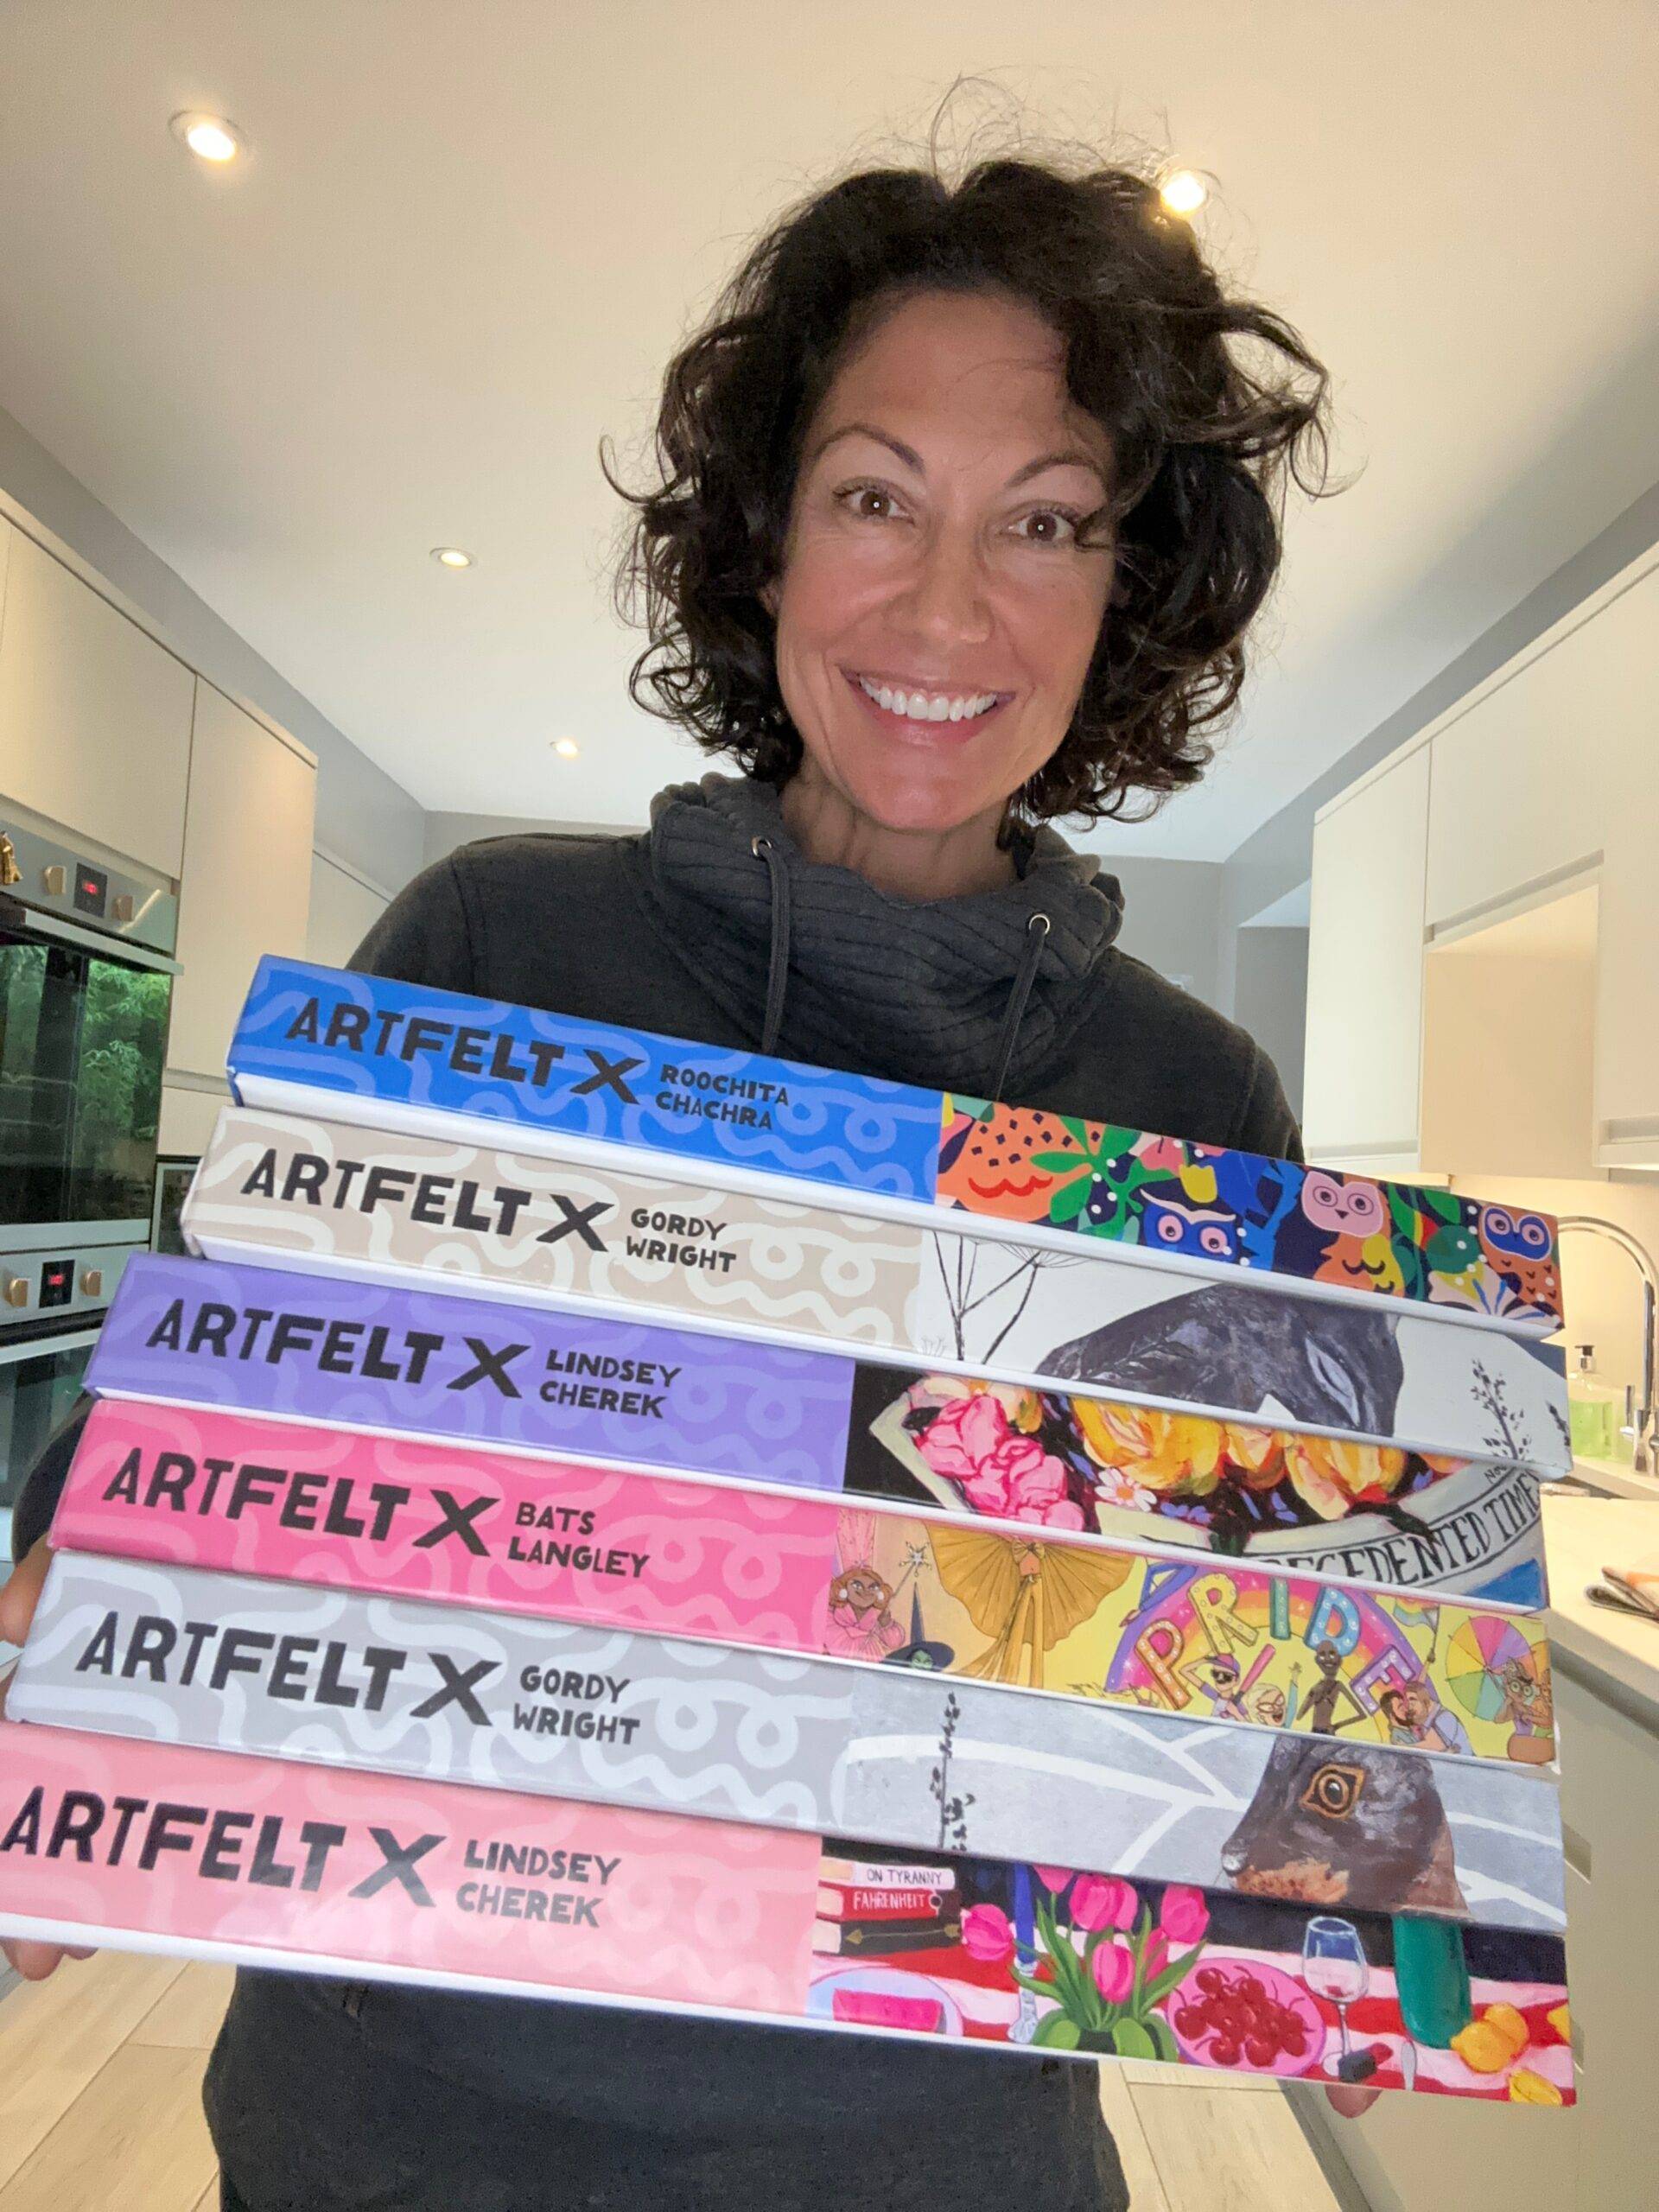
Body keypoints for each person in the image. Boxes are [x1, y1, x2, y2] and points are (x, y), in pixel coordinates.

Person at [3, 142, 1358, 2208]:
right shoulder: (486, 954)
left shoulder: (1195, 1105)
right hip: (401, 2116)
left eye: (1049, 521)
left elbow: (1244, 1685)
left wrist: (1367, 1821)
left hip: (926, 2150)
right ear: (767, 539)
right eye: (876, 495)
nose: (943, 604)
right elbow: (184, 1430)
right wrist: (68, 1681)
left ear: (1128, 588)